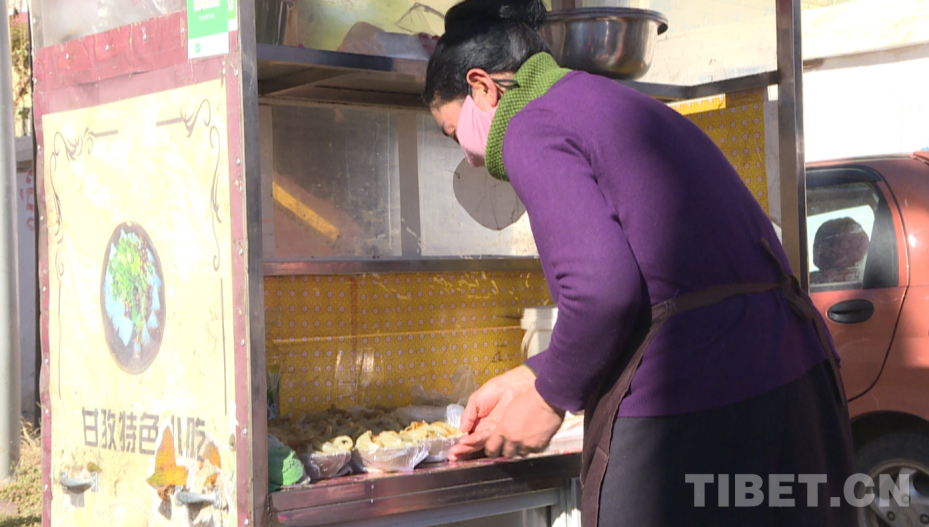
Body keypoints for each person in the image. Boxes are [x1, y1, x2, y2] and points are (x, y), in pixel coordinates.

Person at [425, 1, 856, 525]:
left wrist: (547, 398)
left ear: (483, 88)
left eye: (453, 132)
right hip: (796, 382)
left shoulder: (528, 124)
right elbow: (672, 278)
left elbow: (602, 291)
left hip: (697, 398)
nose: (468, 155)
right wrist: (531, 374)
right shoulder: (616, 102)